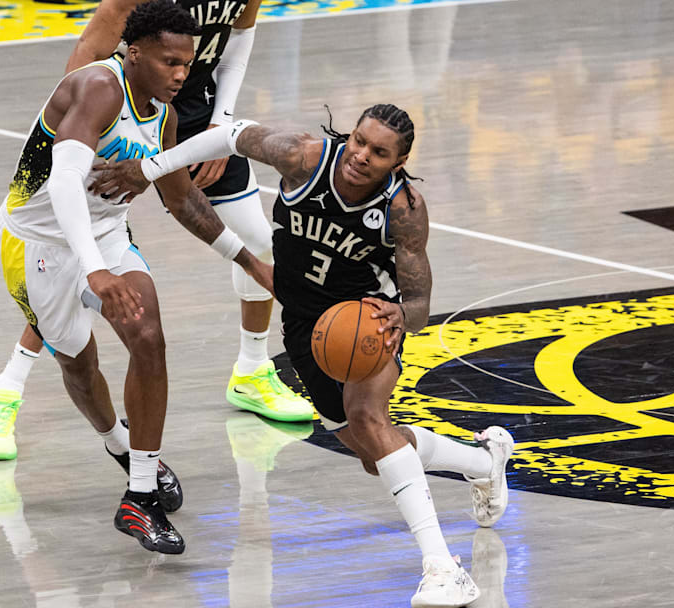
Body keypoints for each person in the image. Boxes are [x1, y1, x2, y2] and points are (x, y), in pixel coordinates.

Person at [95, 104, 516, 607]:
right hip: (303, 325)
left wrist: (402, 316)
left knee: (370, 422)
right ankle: (484, 461)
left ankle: (444, 569)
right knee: (371, 453)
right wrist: (151, 169)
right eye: (359, 140)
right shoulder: (302, 156)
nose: (361, 155)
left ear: (398, 162)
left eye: (378, 152)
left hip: (363, 323)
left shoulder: (403, 209)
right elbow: (230, 135)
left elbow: (421, 301)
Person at [0, 0, 314, 465]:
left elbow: (182, 200)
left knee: (152, 334)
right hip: (41, 232)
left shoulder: (167, 114)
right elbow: (67, 167)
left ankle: (146, 477)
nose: (181, 73)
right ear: (133, 54)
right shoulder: (98, 85)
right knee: (76, 355)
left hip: (131, 192)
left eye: (186, 65)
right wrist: (86, 128)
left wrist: (253, 268)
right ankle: (46, 407)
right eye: (173, 64)